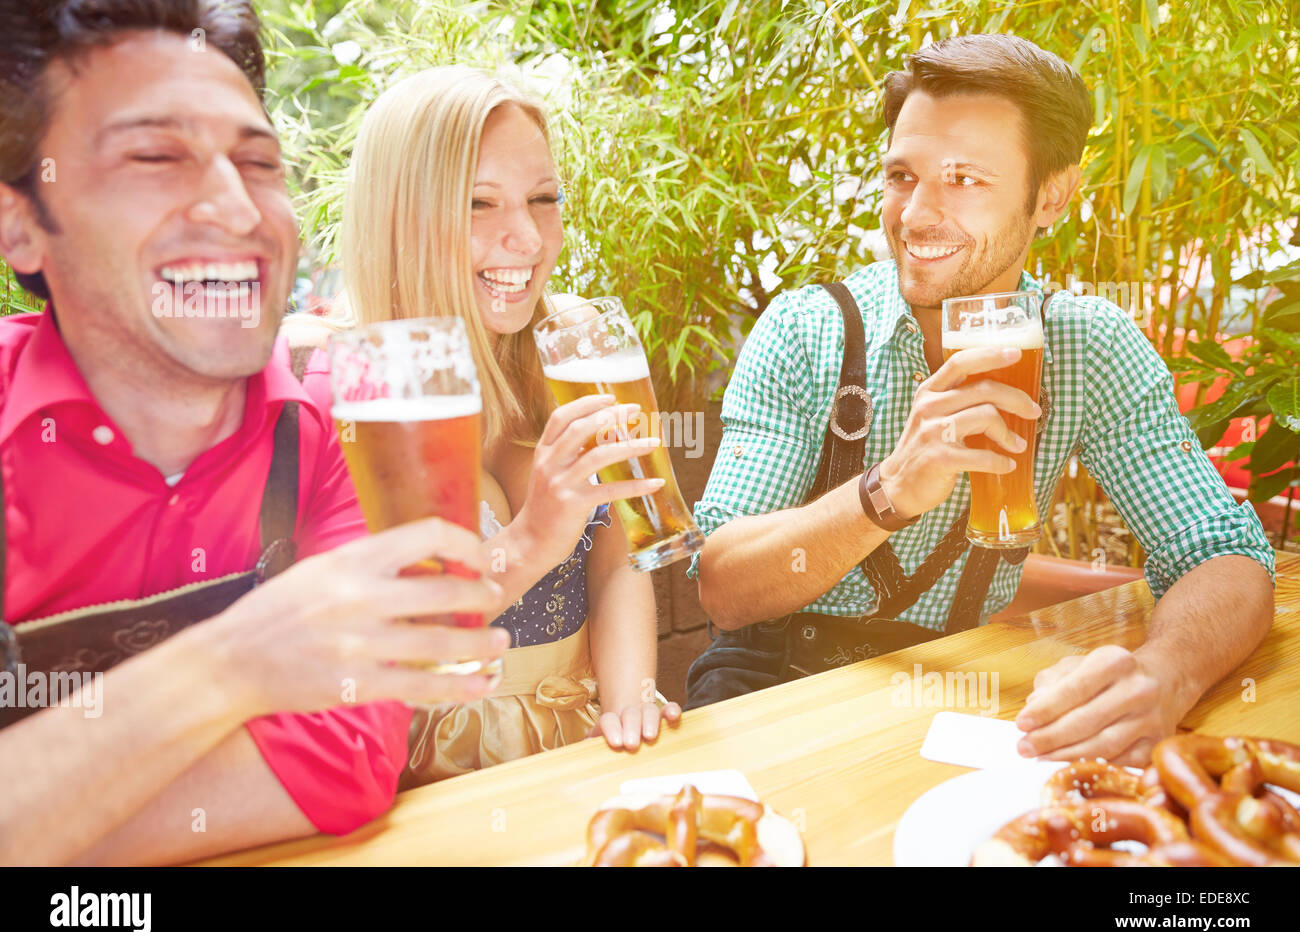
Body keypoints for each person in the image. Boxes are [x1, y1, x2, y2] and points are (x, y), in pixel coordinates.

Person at [0, 0, 508, 865]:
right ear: (20, 224)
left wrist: (48, 805)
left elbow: (348, 762)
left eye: (257, 160)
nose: (237, 209)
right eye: (157, 156)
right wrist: (231, 668)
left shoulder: (321, 439)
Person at [687, 33, 1275, 766]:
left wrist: (1165, 675)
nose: (917, 214)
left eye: (964, 178)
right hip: (773, 689)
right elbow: (722, 587)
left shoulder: (1086, 346)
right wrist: (888, 489)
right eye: (902, 175)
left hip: (957, 688)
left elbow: (1223, 551)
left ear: (1051, 196)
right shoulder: (807, 330)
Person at [301, 65, 682, 782]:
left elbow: (620, 549)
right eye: (480, 204)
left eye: (544, 199)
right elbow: (381, 639)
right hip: (422, 772)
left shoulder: (572, 340)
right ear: (400, 218)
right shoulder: (352, 391)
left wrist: (629, 704)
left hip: (581, 740)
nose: (529, 239)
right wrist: (533, 539)